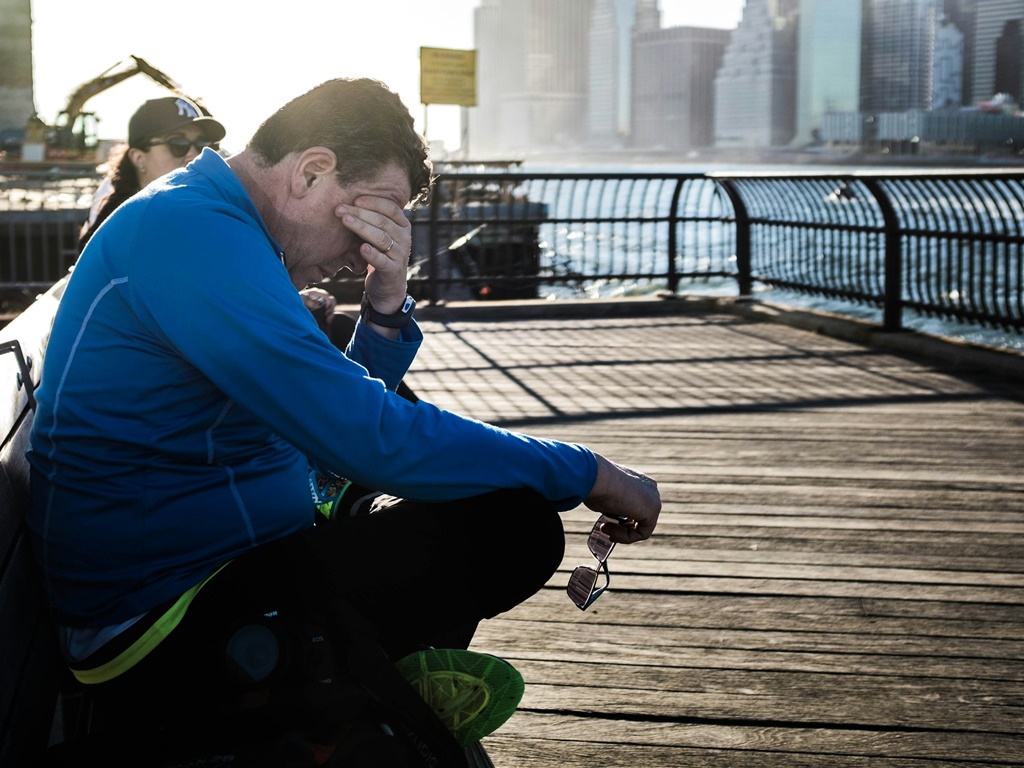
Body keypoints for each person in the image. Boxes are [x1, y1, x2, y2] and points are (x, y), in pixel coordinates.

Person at [28, 77, 659, 762]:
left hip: (222, 561)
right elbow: (365, 439)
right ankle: (337, 689)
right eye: (373, 214)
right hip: (159, 622)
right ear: (310, 171)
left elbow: (333, 431)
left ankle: (354, 679)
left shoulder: (218, 223)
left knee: (483, 495)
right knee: (510, 524)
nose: (371, 247)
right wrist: (590, 472)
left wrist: (385, 307)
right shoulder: (191, 235)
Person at [78, 95, 227, 253]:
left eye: (202, 144)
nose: (194, 154)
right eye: (178, 143)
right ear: (138, 158)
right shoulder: (118, 225)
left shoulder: (212, 209)